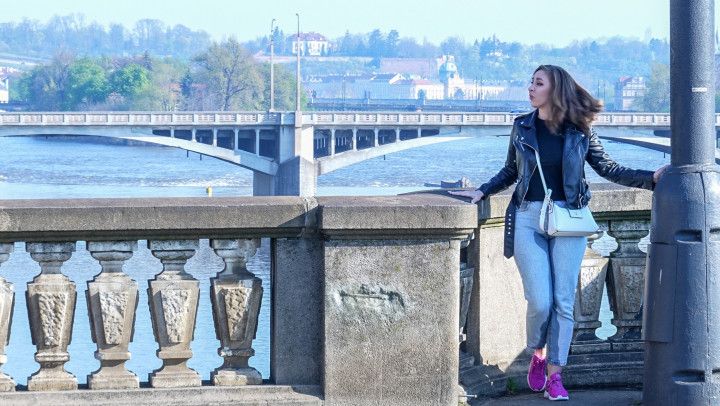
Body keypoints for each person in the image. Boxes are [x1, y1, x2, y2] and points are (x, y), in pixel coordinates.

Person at [450, 65, 668, 401]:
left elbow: (609, 168)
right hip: (527, 217)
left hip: (569, 219)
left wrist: (650, 178)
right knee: (540, 300)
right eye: (531, 82)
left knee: (564, 302)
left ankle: (555, 374)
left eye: (538, 83)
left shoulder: (579, 130)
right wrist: (483, 190)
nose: (530, 88)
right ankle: (537, 351)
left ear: (555, 89)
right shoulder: (522, 126)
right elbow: (511, 170)